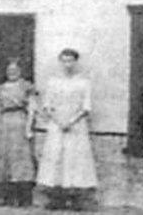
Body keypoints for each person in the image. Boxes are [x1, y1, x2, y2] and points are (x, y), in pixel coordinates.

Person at [36, 48, 99, 211]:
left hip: (76, 126)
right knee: (57, 157)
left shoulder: (83, 82)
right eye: (64, 60)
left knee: (75, 159)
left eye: (71, 60)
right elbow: (47, 105)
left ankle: (76, 197)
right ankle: (57, 197)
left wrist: (70, 122)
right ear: (60, 62)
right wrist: (59, 121)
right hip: (57, 126)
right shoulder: (53, 81)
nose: (67, 64)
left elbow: (86, 107)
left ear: (76, 62)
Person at [0, 58, 37, 206]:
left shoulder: (26, 86)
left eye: (15, 70)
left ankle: (23, 197)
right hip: (5, 123)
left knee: (21, 159)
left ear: (20, 71)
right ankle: (6, 196)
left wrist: (29, 128)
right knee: (4, 158)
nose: (12, 73)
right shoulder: (0, 89)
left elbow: (32, 109)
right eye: (9, 71)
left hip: (20, 122)